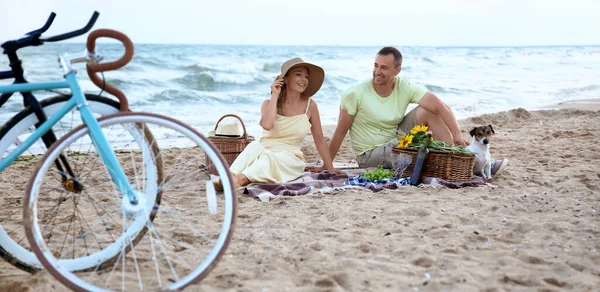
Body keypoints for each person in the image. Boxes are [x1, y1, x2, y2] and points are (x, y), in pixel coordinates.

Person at [328, 46, 508, 175]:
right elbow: (341, 131)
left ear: (397, 70)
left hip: (395, 139)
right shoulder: (354, 93)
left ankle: (460, 160)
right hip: (369, 153)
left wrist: (457, 136)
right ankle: (467, 164)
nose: (377, 71)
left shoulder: (404, 86)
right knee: (420, 151)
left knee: (429, 111)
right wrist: (327, 164)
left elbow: (441, 106)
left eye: (384, 67)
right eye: (376, 65)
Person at [215, 57, 343, 190]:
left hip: (290, 157)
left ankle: (240, 180)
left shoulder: (311, 106)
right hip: (265, 148)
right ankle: (228, 176)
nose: (303, 79)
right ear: (285, 79)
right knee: (253, 147)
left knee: (268, 158)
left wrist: (330, 167)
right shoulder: (268, 104)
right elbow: (267, 125)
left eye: (306, 76)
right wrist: (275, 95)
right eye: (298, 74)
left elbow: (320, 139)